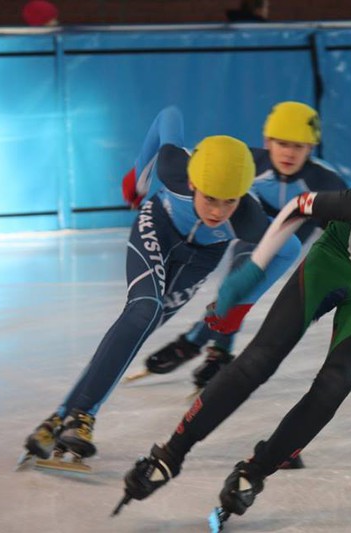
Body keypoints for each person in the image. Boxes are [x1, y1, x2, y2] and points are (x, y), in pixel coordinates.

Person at [115, 121, 351, 522]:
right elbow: (296, 207)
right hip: (332, 263)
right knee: (258, 361)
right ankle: (170, 455)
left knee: (335, 385)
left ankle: (256, 470)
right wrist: (253, 270)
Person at [22, 107, 301, 463]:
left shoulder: (247, 218)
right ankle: (83, 414)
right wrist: (140, 177)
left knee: (140, 327)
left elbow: (288, 248)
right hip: (159, 228)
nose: (217, 211)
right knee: (143, 310)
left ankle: (64, 416)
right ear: (193, 184)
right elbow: (169, 116)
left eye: (229, 201)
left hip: (201, 258)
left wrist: (241, 301)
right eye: (210, 198)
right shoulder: (173, 168)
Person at [136, 102, 349, 402]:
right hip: (250, 231)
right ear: (267, 142)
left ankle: (199, 341)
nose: (288, 153)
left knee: (240, 286)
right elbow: (200, 163)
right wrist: (141, 178)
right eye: (282, 143)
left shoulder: (326, 182)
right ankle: (214, 349)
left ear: (312, 147)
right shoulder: (247, 161)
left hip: (284, 243)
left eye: (298, 146)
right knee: (238, 277)